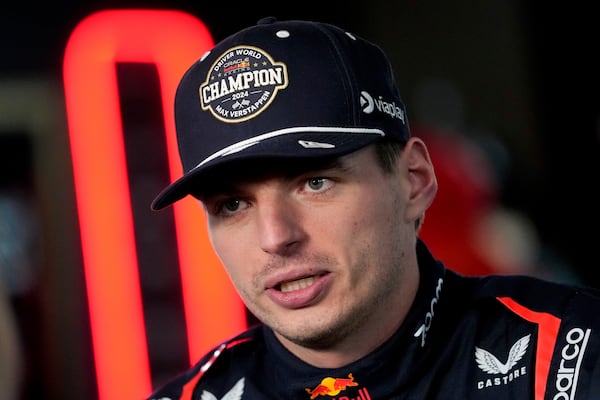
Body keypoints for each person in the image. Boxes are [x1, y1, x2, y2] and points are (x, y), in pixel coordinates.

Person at [147, 17, 600, 400]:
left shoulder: (574, 355)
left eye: (314, 182)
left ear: (414, 181)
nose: (275, 237)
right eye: (232, 204)